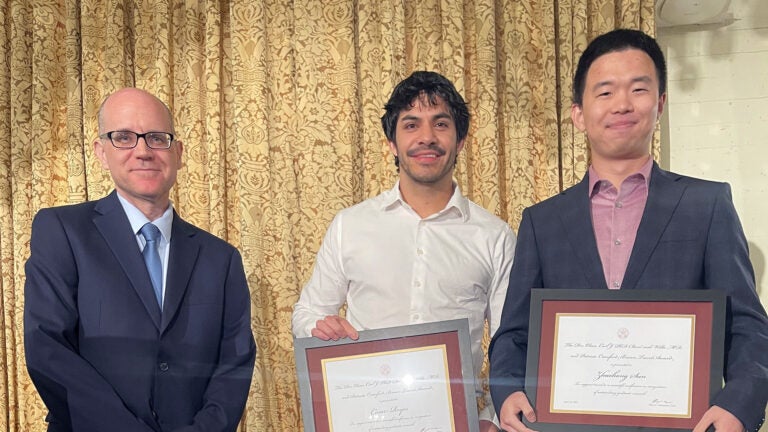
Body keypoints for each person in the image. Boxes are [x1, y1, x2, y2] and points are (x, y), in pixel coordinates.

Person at [489, 28, 768, 432]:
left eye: (638, 89)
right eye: (604, 92)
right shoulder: (542, 220)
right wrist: (507, 390)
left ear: (660, 104)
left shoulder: (707, 205)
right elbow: (513, 333)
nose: (622, 104)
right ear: (579, 114)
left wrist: (738, 405)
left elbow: (746, 324)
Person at [292, 71, 516, 431]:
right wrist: (321, 327)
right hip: (365, 420)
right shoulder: (350, 225)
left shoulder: (494, 236)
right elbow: (306, 314)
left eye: (440, 124)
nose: (426, 137)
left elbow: (511, 343)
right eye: (411, 125)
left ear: (460, 142)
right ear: (393, 144)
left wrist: (490, 418)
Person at [24, 88, 256, 432]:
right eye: (124, 137)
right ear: (101, 152)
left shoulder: (221, 259)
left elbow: (233, 365)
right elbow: (48, 348)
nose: (143, 151)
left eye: (157, 138)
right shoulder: (62, 230)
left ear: (178, 153)